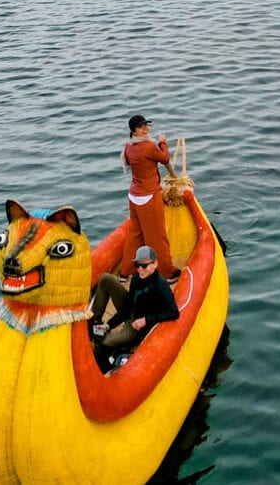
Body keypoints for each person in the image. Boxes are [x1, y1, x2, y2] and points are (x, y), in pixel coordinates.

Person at [90, 246, 179, 371]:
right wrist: (108, 325)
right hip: (132, 312)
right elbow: (127, 306)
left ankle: (102, 355)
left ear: (155, 264)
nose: (140, 269)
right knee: (106, 279)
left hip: (137, 328)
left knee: (105, 342)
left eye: (144, 265)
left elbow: (174, 313)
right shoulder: (137, 278)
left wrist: (145, 320)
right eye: (137, 265)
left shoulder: (161, 286)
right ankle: (95, 321)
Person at [120, 114, 180, 281]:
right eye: (141, 127)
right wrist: (162, 142)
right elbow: (165, 158)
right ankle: (168, 273)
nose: (146, 129)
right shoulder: (148, 147)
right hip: (149, 197)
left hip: (134, 196)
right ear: (134, 131)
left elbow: (131, 163)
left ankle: (125, 273)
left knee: (135, 234)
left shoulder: (128, 147)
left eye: (146, 125)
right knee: (157, 236)